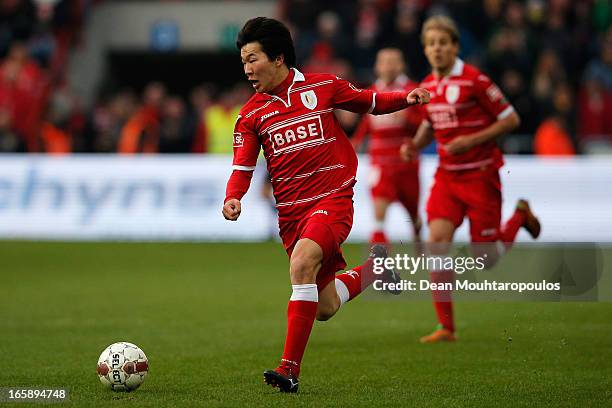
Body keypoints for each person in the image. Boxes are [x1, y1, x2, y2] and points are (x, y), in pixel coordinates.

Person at [222, 17, 430, 393]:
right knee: (325, 306)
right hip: (292, 215)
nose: (248, 69)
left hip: (332, 200)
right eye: (243, 62)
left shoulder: (323, 86)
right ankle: (376, 271)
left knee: (302, 263)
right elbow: (242, 166)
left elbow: (370, 101)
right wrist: (232, 197)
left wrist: (406, 97)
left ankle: (288, 370)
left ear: (279, 57)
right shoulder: (250, 115)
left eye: (253, 59)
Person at [400, 15, 541, 344]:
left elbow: (510, 119)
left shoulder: (475, 80)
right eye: (431, 43)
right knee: (436, 244)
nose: (437, 49)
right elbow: (429, 125)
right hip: (447, 177)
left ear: (455, 47)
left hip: (480, 177)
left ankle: (519, 216)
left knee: (486, 259)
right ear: (425, 49)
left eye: (443, 43)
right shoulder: (428, 86)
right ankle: (446, 327)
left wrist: (472, 139)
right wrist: (414, 146)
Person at [352, 47, 422, 248]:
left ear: (401, 65)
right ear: (377, 66)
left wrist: (408, 118)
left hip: (406, 163)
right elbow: (367, 121)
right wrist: (356, 141)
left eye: (393, 61)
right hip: (380, 163)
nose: (388, 66)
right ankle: (380, 262)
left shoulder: (412, 89)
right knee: (379, 216)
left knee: (413, 212)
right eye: (384, 61)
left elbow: (425, 124)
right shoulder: (371, 93)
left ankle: (418, 234)